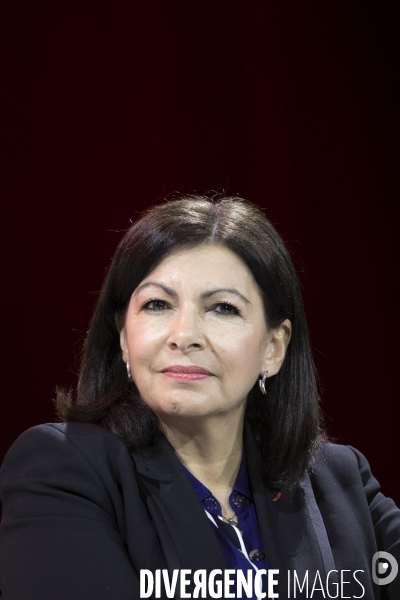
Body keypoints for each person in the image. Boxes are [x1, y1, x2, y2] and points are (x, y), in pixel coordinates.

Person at [0, 196, 399, 600]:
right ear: (123, 337)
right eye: (157, 304)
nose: (184, 334)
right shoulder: (62, 470)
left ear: (274, 348)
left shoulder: (339, 480)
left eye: (223, 308)